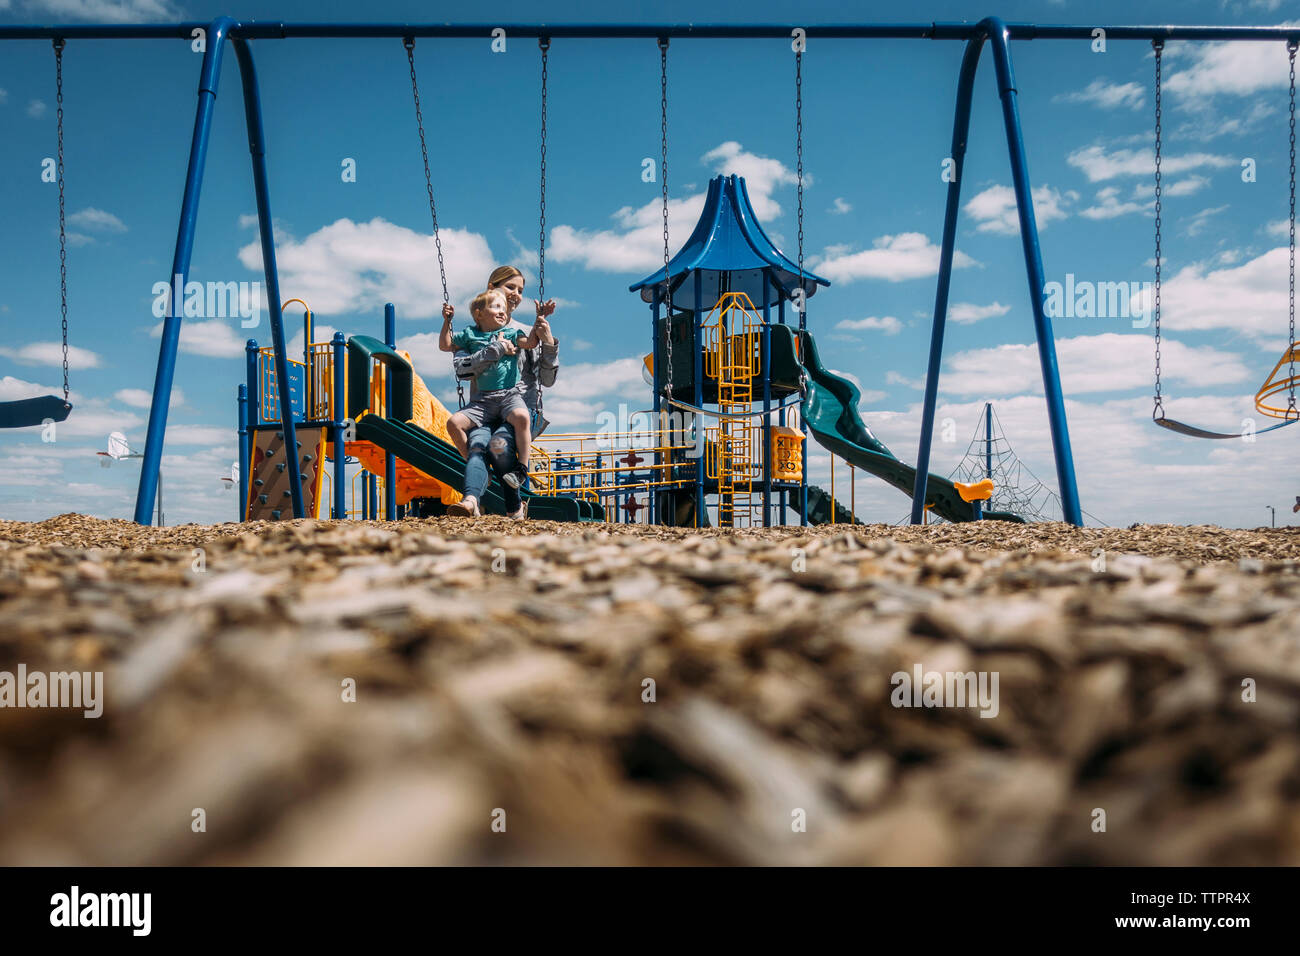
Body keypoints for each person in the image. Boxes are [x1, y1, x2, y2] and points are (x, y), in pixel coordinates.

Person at [455, 267, 560, 519]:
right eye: (510, 287)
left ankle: (512, 504)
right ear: (492, 288)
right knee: (480, 446)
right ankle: (478, 502)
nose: (515, 294)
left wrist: (547, 342)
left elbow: (547, 380)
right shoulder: (474, 333)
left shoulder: (526, 332)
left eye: (520, 290)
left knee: (498, 445)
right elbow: (463, 370)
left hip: (519, 409)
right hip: (486, 410)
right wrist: (495, 349)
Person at [438, 290, 539, 516]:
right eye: (495, 307)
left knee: (520, 420)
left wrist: (539, 320)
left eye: (503, 308)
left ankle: (522, 469)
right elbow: (445, 346)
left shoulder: (511, 332)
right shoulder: (469, 335)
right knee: (454, 423)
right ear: (479, 314)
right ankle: (482, 470)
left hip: (508, 396)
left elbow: (531, 342)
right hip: (482, 401)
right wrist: (447, 321)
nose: (502, 312)